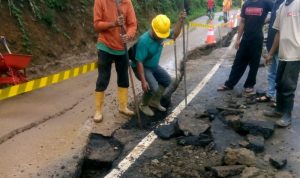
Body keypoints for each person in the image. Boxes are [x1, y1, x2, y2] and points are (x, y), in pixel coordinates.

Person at [131, 12, 186, 117]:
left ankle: (154, 101)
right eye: (159, 35)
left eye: (163, 36)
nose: (161, 38)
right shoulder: (144, 41)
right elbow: (139, 62)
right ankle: (143, 104)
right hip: (142, 67)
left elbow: (175, 34)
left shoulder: (162, 32)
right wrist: (143, 81)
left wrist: (180, 20)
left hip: (153, 65)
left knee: (166, 80)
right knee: (153, 87)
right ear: (153, 28)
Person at [93, 0, 137, 123]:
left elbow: (132, 24)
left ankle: (123, 107)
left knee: (123, 77)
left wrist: (128, 35)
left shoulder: (127, 2)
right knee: (103, 77)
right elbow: (97, 25)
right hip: (105, 44)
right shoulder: (100, 1)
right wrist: (114, 23)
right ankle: (98, 110)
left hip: (121, 47)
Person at [217, 0, 273, 94]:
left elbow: (276, 12)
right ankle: (229, 84)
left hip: (257, 38)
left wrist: (267, 20)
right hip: (245, 38)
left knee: (254, 63)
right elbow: (242, 21)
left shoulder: (265, 2)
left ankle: (249, 85)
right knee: (238, 62)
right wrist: (238, 39)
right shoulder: (246, 4)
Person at [263, 0, 300, 127]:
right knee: (279, 82)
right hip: (283, 53)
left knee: (288, 86)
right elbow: (278, 33)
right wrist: (271, 53)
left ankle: (287, 115)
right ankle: (279, 110)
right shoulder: (281, 8)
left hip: (295, 53)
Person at [256, 0, 284, 106]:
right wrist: (262, 21)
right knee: (271, 73)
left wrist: (271, 52)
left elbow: (280, 30)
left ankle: (278, 98)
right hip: (272, 43)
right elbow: (272, 20)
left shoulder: (285, 4)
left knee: (279, 75)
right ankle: (271, 94)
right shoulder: (275, 3)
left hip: (280, 46)